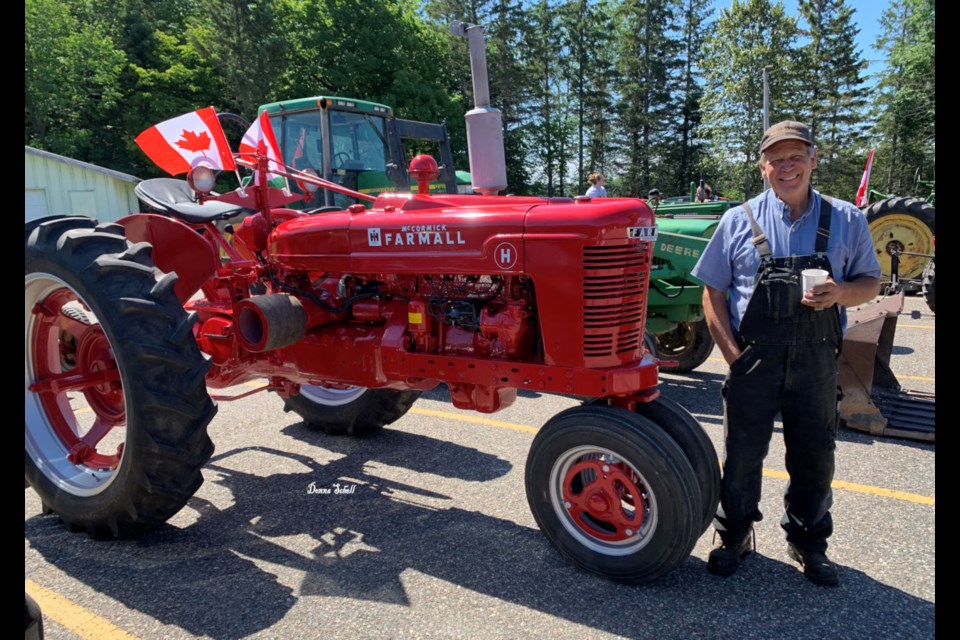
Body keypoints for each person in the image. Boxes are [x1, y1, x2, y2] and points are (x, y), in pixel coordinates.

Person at [690, 120, 881, 587]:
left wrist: (839, 293)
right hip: (754, 358)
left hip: (817, 358)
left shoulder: (846, 219)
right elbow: (711, 294)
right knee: (741, 455)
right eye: (777, 159)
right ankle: (734, 535)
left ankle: (808, 542)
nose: (787, 167)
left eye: (796, 156)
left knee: (815, 456)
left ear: (813, 160)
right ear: (763, 167)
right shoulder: (738, 220)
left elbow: (871, 283)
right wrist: (734, 357)